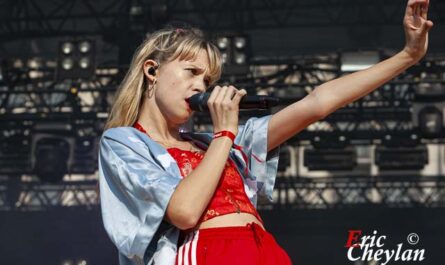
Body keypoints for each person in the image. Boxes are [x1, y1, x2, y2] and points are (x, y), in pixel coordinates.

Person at [98, 1, 433, 264]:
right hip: (208, 253)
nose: (200, 86)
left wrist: (407, 56)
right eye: (191, 72)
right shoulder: (124, 142)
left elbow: (316, 103)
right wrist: (225, 135)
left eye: (207, 80)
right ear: (152, 70)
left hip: (263, 250)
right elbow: (184, 212)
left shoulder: (216, 143)